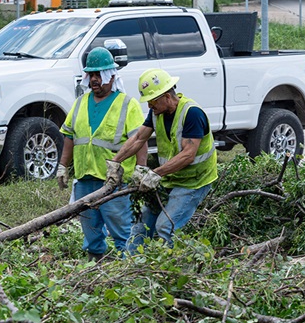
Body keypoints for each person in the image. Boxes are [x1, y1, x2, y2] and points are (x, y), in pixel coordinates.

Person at [106, 68, 218, 252]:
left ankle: (170, 269)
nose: (149, 106)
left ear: (166, 96)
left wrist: (155, 174)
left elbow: (188, 155)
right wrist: (115, 161)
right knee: (142, 226)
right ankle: (130, 267)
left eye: (152, 101)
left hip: (194, 181)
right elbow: (139, 138)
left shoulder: (192, 114)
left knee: (166, 226)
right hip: (170, 178)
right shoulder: (157, 113)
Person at [56, 47, 146, 261]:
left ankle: (128, 266)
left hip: (114, 180)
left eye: (99, 75)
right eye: (91, 75)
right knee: (90, 227)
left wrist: (141, 169)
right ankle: (96, 263)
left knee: (120, 227)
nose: (95, 80)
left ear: (111, 75)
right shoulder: (79, 104)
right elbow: (69, 137)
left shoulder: (126, 104)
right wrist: (62, 166)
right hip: (85, 178)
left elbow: (140, 140)